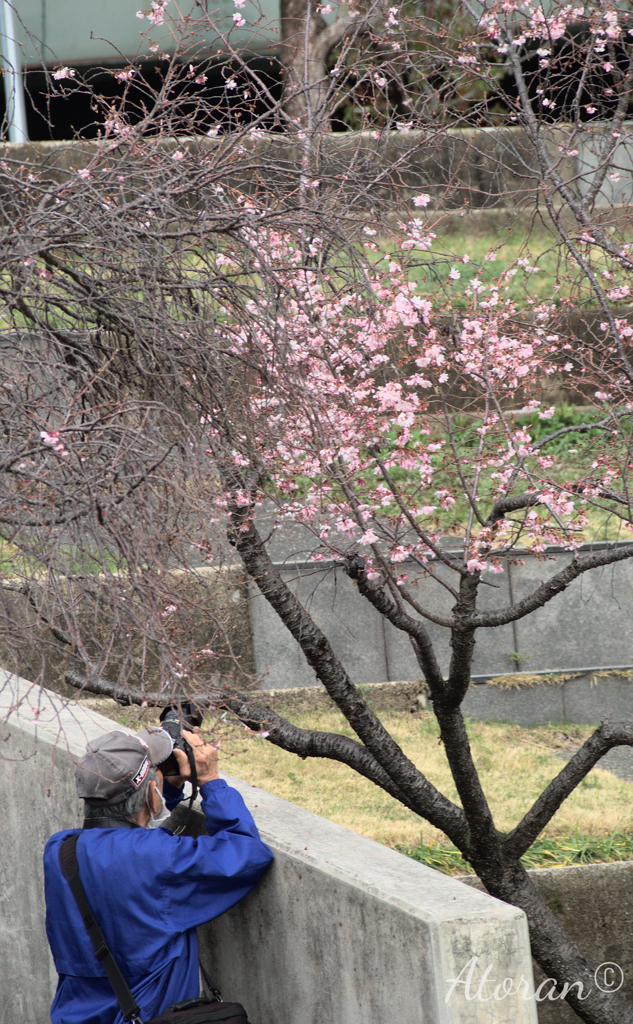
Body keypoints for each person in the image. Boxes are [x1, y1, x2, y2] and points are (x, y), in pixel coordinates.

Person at [44, 725, 273, 1024]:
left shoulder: (59, 851)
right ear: (153, 794)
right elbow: (247, 854)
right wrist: (210, 781)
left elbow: (123, 841)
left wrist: (167, 789)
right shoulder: (157, 857)